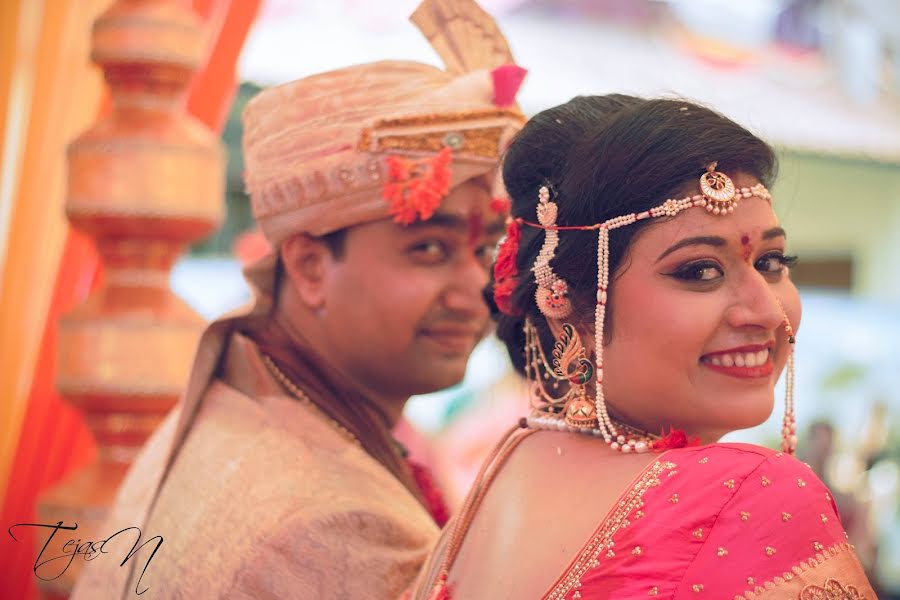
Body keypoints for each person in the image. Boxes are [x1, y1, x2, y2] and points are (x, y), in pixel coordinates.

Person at [71, 1, 527, 597]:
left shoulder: (240, 386)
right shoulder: (337, 525)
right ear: (310, 266)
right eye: (430, 250)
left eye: (484, 249)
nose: (478, 286)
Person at [410, 96, 876, 599]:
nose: (766, 312)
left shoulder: (514, 461)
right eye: (700, 271)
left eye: (772, 262)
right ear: (569, 303)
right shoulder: (747, 489)